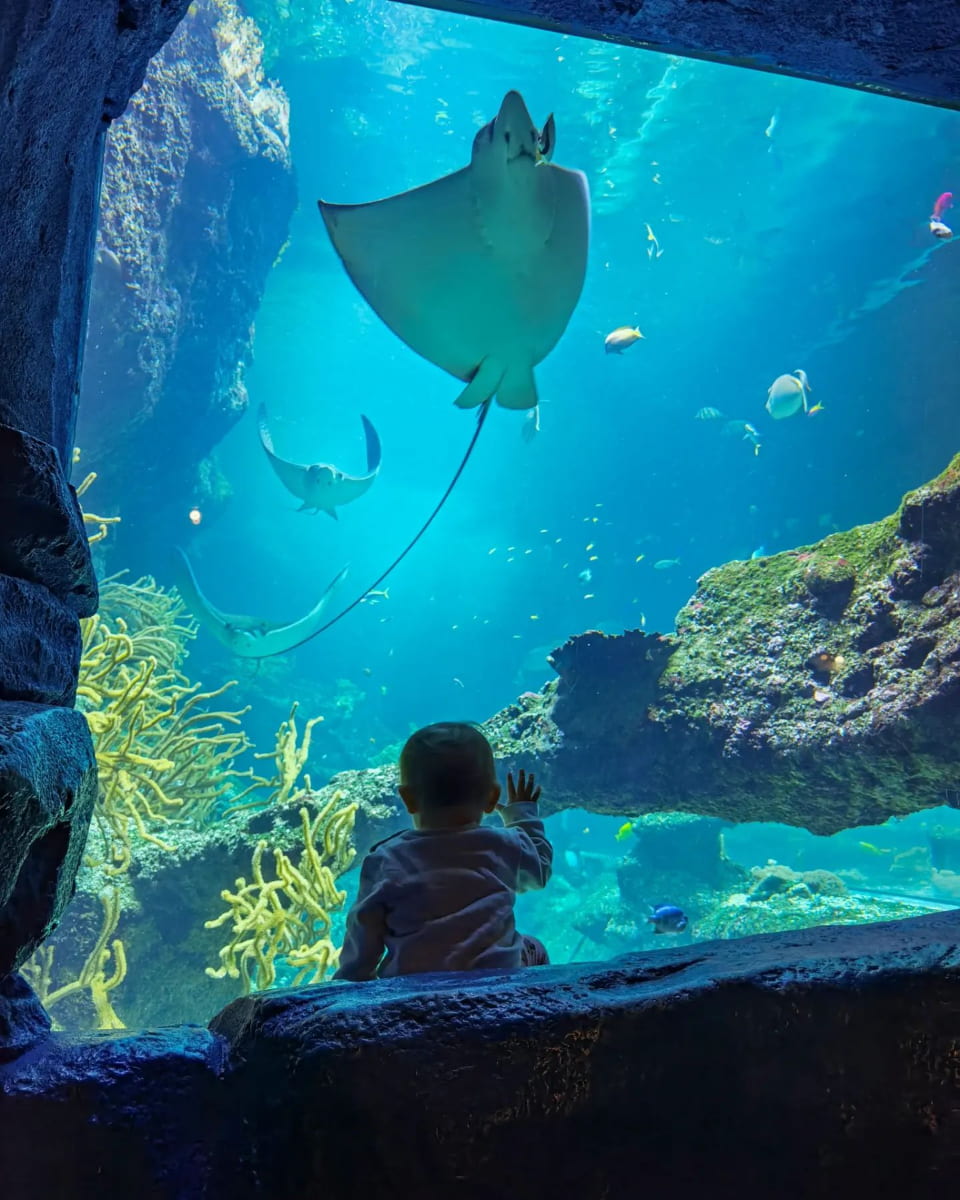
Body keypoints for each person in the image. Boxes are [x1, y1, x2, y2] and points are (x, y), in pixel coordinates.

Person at [333, 721, 552, 981]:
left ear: (408, 799)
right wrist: (522, 817)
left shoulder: (386, 859)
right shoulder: (506, 844)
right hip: (496, 981)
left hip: (412, 990)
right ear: (493, 797)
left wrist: (352, 979)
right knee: (533, 947)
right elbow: (539, 872)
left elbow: (364, 932)